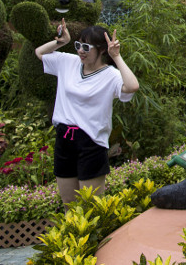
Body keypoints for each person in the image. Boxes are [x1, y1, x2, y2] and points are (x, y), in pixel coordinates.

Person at [35, 19, 139, 207]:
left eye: (86, 47)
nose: (80, 51)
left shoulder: (110, 75)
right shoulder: (68, 62)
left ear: (101, 50)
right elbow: (39, 53)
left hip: (91, 142)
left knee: (91, 205)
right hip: (64, 139)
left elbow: (132, 86)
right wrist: (61, 42)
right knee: (69, 203)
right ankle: (69, 237)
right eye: (78, 45)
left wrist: (116, 56)